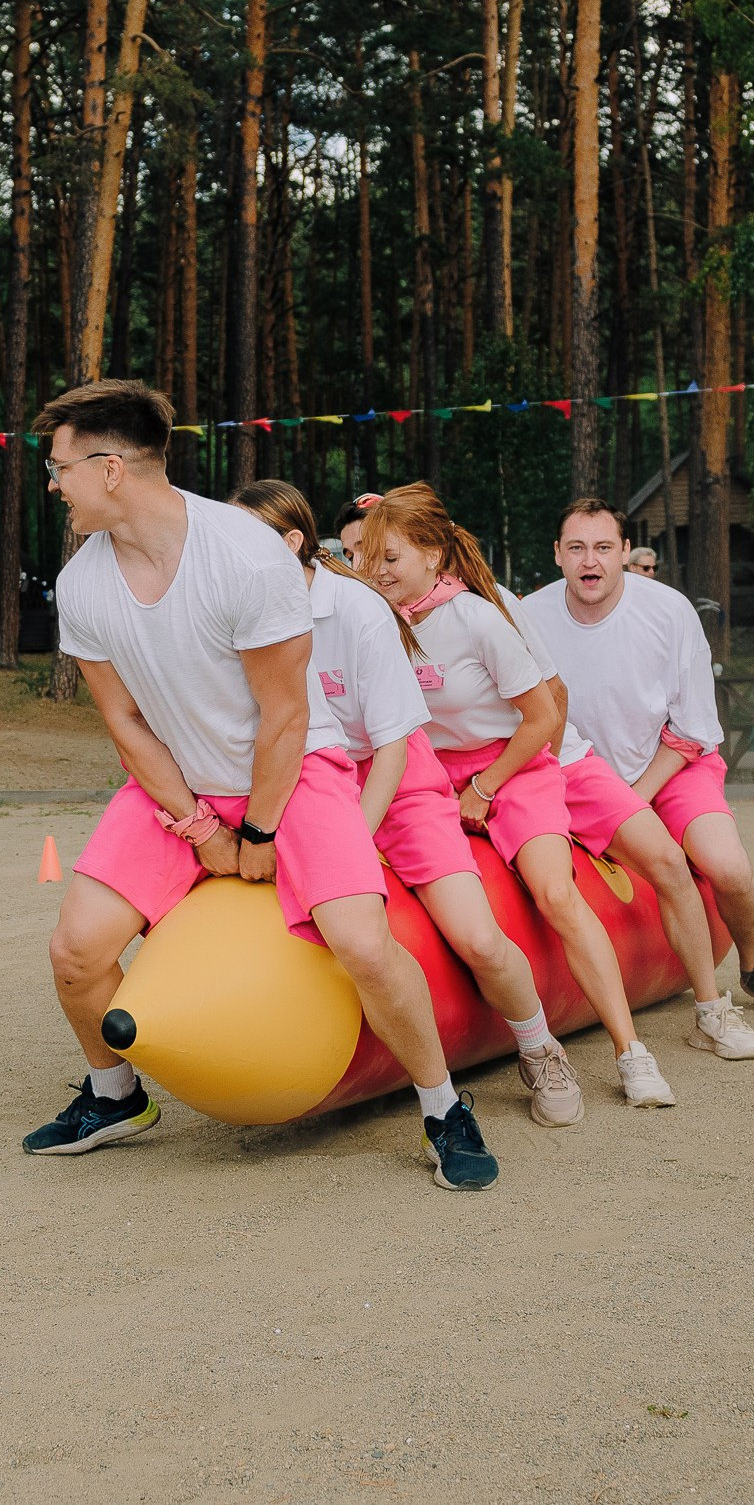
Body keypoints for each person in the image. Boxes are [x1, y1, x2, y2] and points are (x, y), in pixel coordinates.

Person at [27, 381, 498, 1189]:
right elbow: (126, 722)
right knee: (75, 952)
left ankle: (442, 1107)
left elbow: (286, 717)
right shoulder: (82, 584)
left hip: (294, 773)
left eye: (58, 468)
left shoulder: (244, 555)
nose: (52, 485)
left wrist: (259, 832)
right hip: (179, 785)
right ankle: (115, 1095)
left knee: (364, 946)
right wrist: (197, 827)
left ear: (110, 469)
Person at [233, 480, 585, 1127]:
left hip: (400, 785)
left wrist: (355, 837)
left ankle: (539, 1046)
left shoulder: (357, 607)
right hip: (314, 783)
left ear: (289, 544)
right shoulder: (240, 615)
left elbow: (392, 744)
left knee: (478, 938)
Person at [352, 484, 678, 1107]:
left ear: (433, 556)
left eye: (390, 558)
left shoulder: (477, 617)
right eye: (370, 558)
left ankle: (631, 1052)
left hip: (513, 765)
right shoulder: (377, 620)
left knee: (555, 894)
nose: (377, 570)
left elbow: (542, 717)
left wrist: (485, 787)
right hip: (430, 775)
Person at [523, 498, 754, 1017]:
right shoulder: (528, 616)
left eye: (603, 548)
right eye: (577, 548)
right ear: (558, 554)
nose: (590, 561)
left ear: (625, 551)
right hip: (578, 776)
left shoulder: (669, 610)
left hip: (672, 763)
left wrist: (635, 800)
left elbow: (693, 728)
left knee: (727, 866)